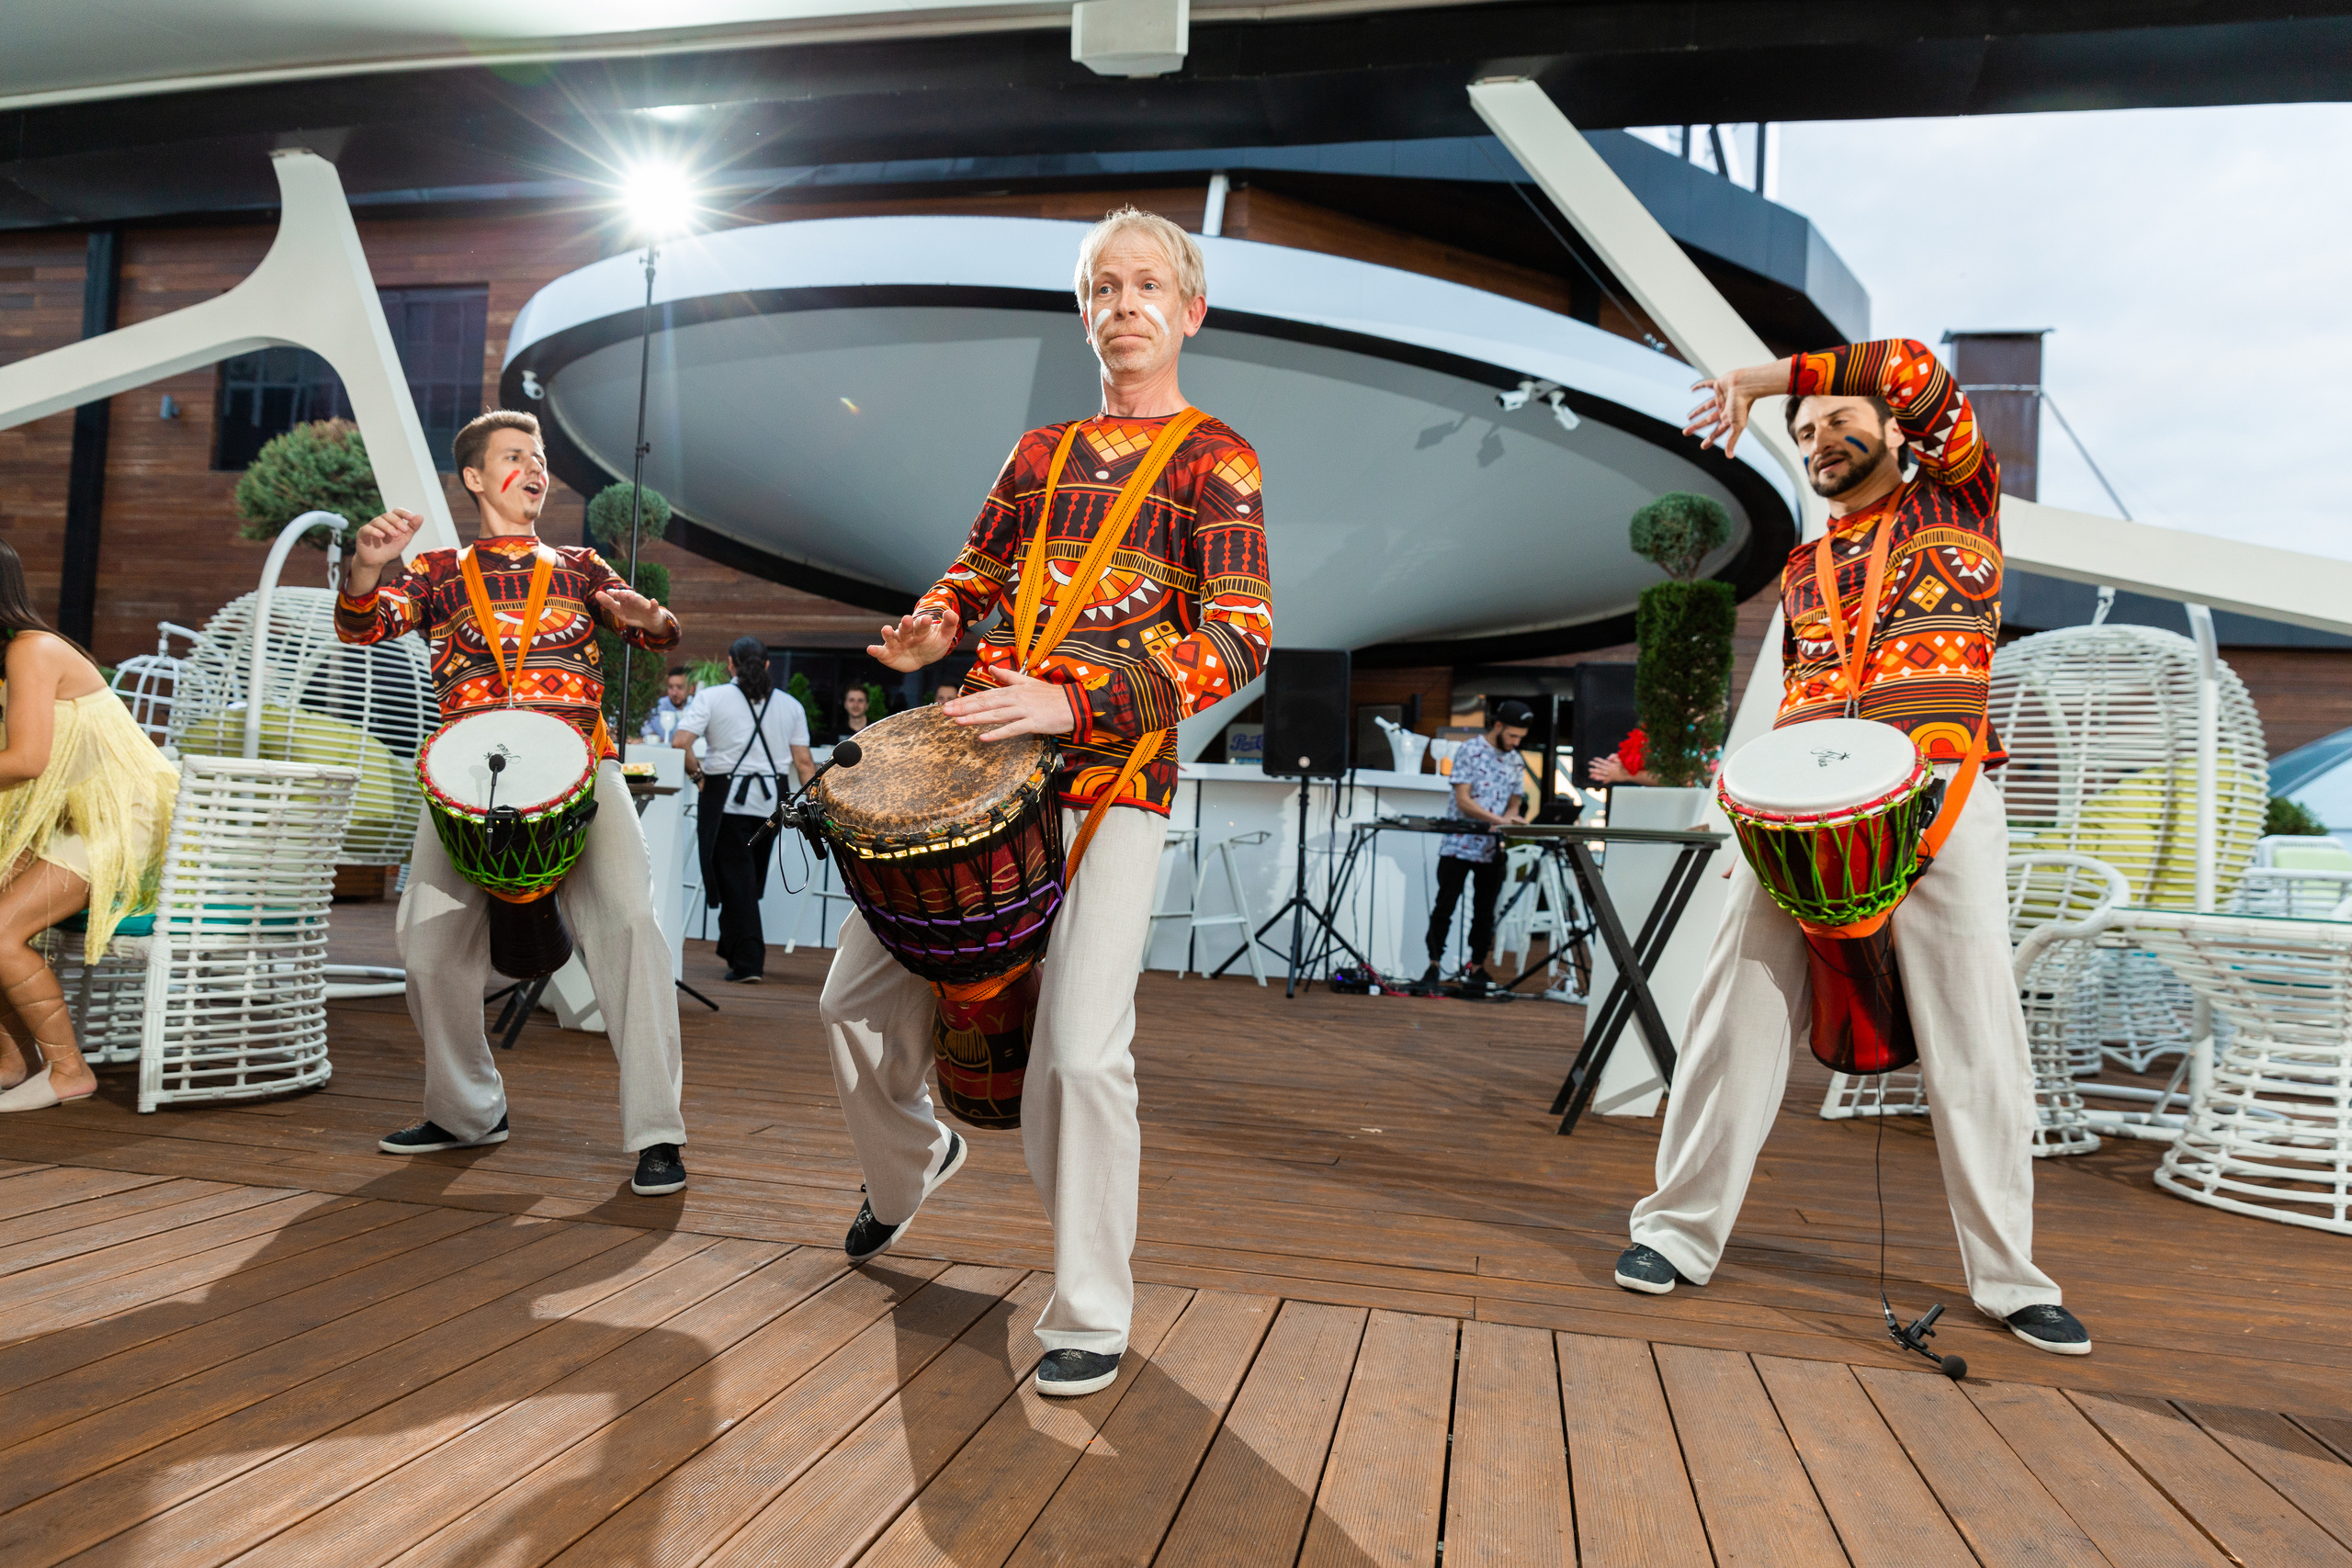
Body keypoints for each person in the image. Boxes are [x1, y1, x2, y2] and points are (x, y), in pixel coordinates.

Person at [820, 206, 1272, 1398]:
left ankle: (1088, 1308)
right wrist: (934, 625)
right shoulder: (1037, 452)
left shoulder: (1218, 458)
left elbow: (1242, 639)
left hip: (1115, 780)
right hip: (983, 767)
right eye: (1103, 287)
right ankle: (912, 1162)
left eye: (1147, 285)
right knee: (850, 1003)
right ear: (1083, 313)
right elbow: (972, 572)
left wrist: (1073, 705)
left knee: (1080, 1054)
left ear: (1189, 310)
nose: (1125, 305)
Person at [1615, 338, 2092, 1358]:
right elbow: (1803, 698)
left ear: (1893, 429)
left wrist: (1763, 381)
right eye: (1804, 433)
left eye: (1839, 418)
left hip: (1941, 794)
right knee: (1731, 1016)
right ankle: (1675, 1232)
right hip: (1803, 819)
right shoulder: (1802, 566)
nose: (1819, 438)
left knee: (1976, 1038)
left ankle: (2011, 1280)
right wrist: (1760, 810)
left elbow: (1911, 365)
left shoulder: (1959, 497)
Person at [336, 409, 693, 1198]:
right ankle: (467, 1112)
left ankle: (658, 1132)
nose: (535, 468)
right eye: (515, 456)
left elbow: (654, 629)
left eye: (539, 457)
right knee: (427, 950)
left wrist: (650, 617)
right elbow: (365, 626)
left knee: (631, 928)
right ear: (473, 476)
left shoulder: (580, 565)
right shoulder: (435, 571)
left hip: (583, 770)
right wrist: (364, 567)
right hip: (469, 786)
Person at [0, 546, 181, 1112]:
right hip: (74, 819)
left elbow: (26, 760)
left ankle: (68, 1071)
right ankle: (10, 1062)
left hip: (124, 817)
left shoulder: (32, 649)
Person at [673, 636, 814, 984]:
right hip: (772, 803)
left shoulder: (711, 697)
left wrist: (698, 777)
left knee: (736, 880)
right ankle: (733, 949)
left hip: (724, 798)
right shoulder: (791, 705)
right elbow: (804, 763)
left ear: (730, 665)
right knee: (745, 879)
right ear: (767, 665)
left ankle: (749, 961)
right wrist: (815, 806)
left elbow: (680, 743)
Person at [1422, 700, 1533, 993]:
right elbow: (1463, 800)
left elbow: (1515, 802)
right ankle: (1433, 964)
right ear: (1498, 725)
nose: (1516, 742)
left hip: (1491, 848)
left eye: (1520, 737)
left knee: (1485, 911)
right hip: (1459, 843)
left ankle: (1477, 967)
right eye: (1512, 735)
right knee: (1445, 905)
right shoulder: (1470, 750)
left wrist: (1510, 819)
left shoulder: (1516, 760)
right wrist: (1498, 820)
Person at [641, 667, 696, 744]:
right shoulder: (661, 706)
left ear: (691, 689)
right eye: (670, 687)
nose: (674, 693)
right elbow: (666, 737)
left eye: (679, 687)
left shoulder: (695, 706)